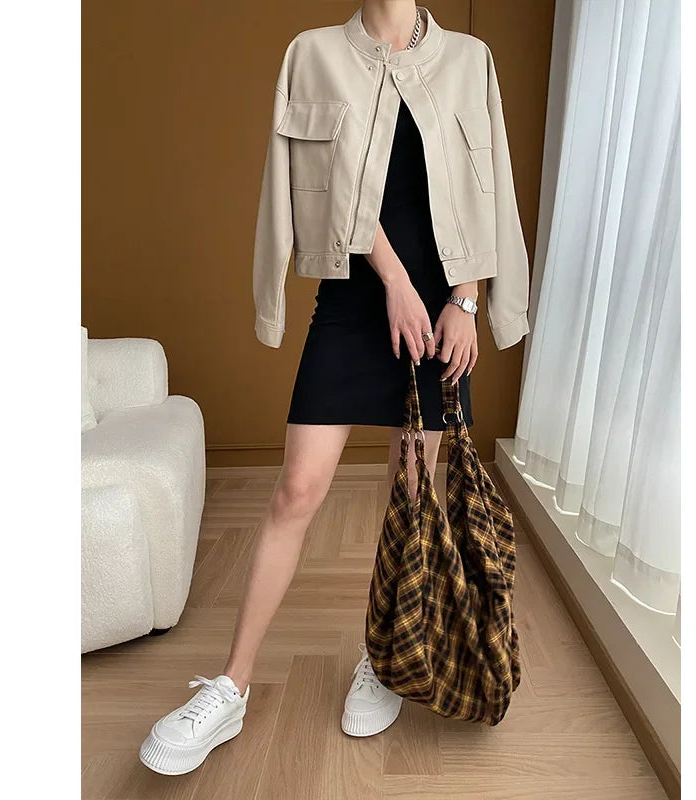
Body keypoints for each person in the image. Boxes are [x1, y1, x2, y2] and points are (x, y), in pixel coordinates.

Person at [140, 0, 529, 776]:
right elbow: (319, 181)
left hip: (442, 314)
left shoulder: (469, 60)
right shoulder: (312, 53)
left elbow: (487, 193)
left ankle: (381, 659)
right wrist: (395, 282)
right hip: (355, 304)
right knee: (297, 490)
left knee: (409, 495)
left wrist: (466, 302)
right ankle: (231, 686)